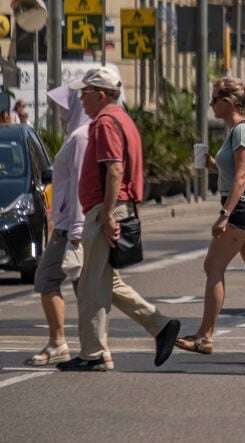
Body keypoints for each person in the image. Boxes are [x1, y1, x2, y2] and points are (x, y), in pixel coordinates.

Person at [58, 67, 181, 371]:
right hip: (112, 207)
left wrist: (109, 213)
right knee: (106, 282)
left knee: (89, 285)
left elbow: (114, 168)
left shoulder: (105, 123)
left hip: (105, 208)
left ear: (101, 94)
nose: (81, 100)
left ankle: (94, 354)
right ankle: (160, 325)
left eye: (84, 93)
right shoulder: (122, 119)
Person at [175, 78, 245, 356]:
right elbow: (233, 173)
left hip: (243, 208)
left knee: (213, 266)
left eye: (215, 99)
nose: (211, 104)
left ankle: (205, 336)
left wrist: (225, 214)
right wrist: (213, 166)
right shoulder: (235, 132)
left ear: (228, 103)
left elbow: (243, 175)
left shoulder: (241, 132)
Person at [25, 84, 92, 366]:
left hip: (72, 227)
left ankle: (60, 342)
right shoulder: (81, 135)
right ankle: (89, 345)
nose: (60, 112)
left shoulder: (79, 138)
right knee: (85, 287)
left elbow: (79, 186)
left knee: (48, 279)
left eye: (65, 107)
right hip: (72, 224)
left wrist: (74, 229)